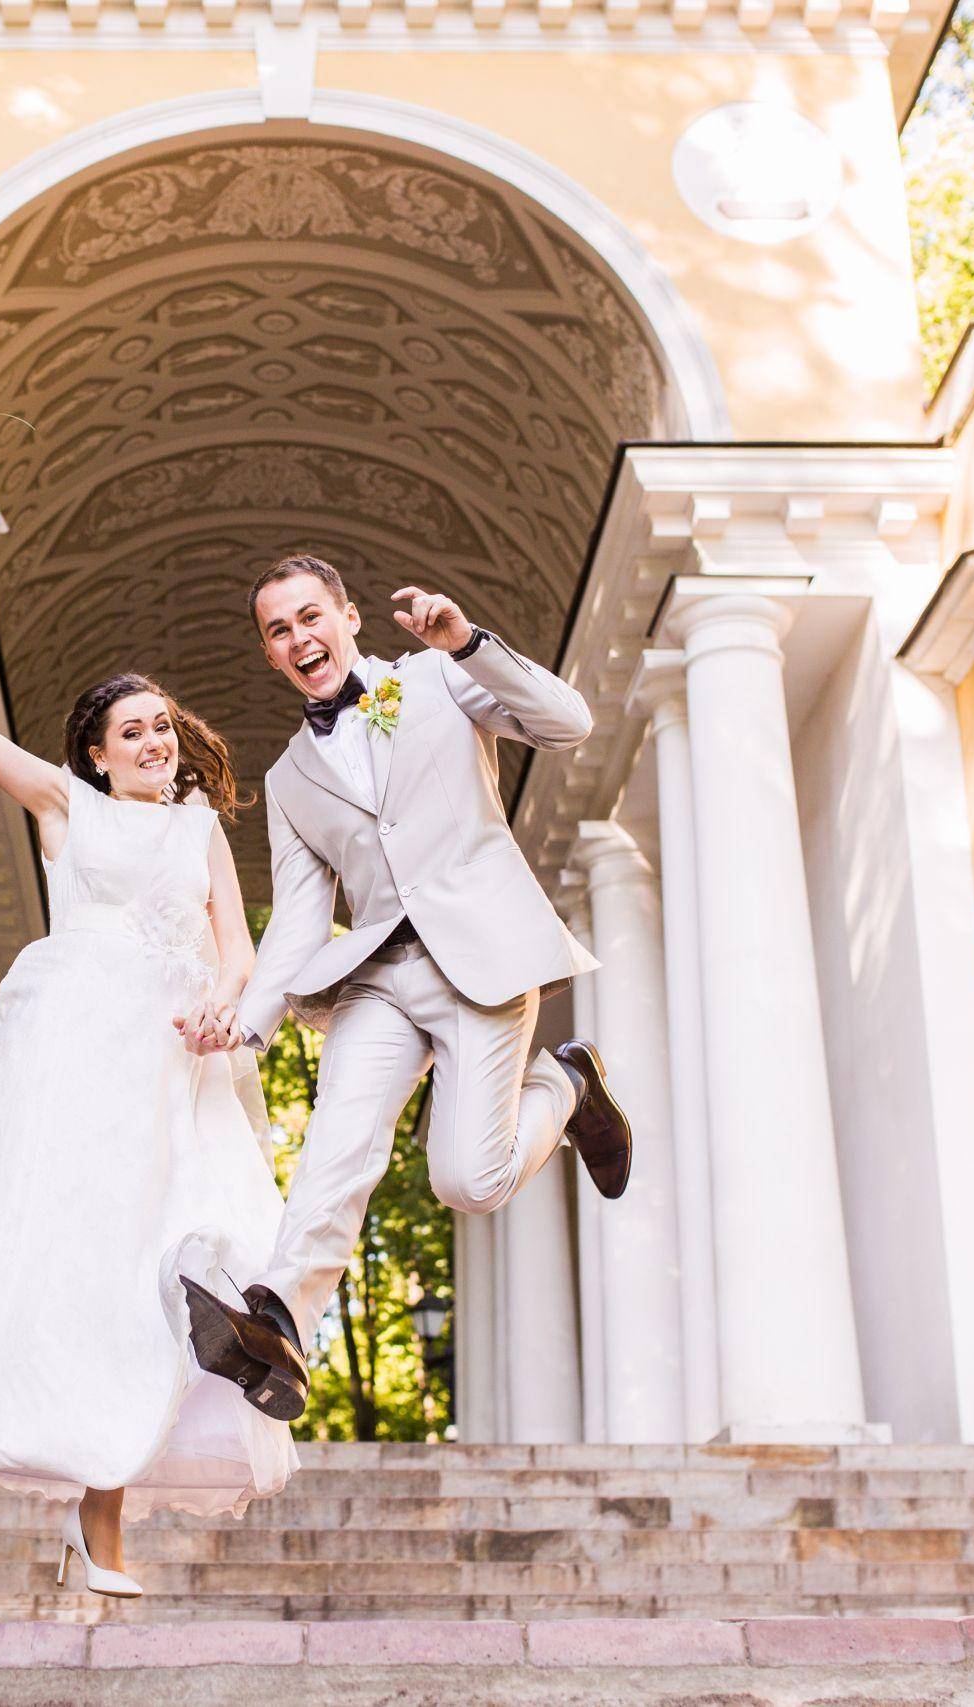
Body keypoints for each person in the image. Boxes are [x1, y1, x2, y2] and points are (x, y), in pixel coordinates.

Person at [0, 604, 296, 1600]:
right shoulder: (66, 809)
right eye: (134, 731)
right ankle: (95, 1519)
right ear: (94, 753)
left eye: (163, 725)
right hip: (75, 1051)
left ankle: (123, 1487)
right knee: (83, 1259)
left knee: (175, 1253)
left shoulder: (200, 828)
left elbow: (235, 942)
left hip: (172, 1056)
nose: (156, 742)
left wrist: (222, 994)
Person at [179, 555, 634, 1423]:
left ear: (348, 617)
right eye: (278, 631)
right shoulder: (287, 781)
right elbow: (301, 923)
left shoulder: (438, 677)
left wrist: (464, 640)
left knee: (468, 1180)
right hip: (378, 975)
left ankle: (567, 1084)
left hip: (483, 957)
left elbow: (567, 722)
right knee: (336, 1144)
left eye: (310, 616)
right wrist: (249, 1025)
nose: (298, 638)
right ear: (271, 656)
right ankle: (279, 1319)